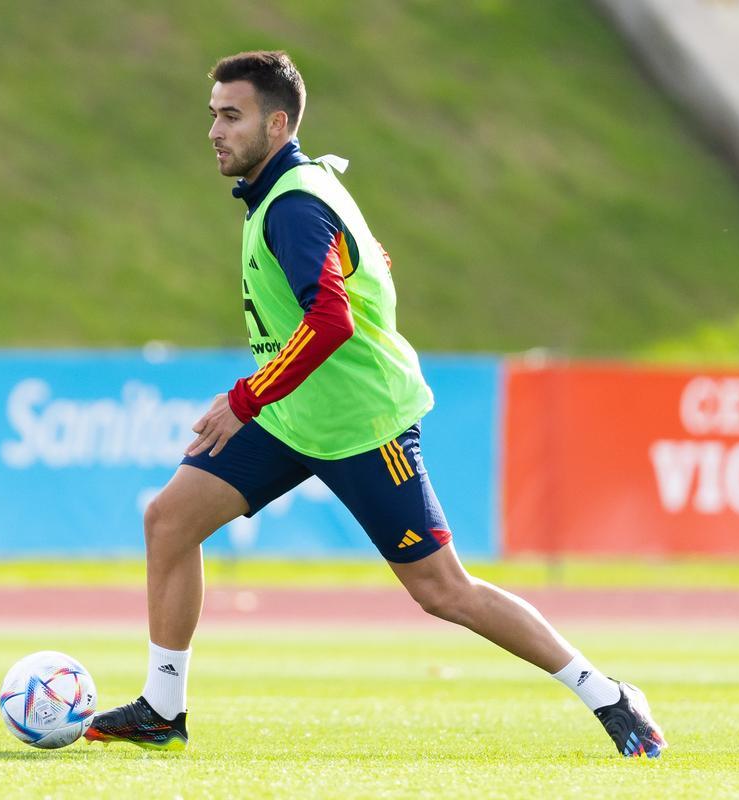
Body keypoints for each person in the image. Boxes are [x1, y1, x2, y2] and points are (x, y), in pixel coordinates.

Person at [85, 50, 665, 758]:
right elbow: (373, 268)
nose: (214, 130)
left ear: (277, 123)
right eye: (212, 114)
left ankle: (605, 692)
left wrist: (245, 397)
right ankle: (162, 709)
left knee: (443, 593)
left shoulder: (294, 203)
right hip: (295, 412)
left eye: (230, 116)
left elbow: (333, 320)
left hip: (363, 425)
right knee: (170, 521)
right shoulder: (299, 185)